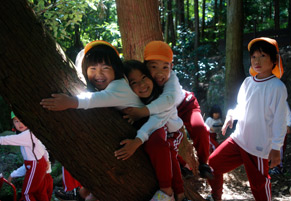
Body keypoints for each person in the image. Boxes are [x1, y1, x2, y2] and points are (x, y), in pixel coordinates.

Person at [40, 41, 184, 201]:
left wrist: (70, 101)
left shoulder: (119, 86)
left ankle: (167, 193)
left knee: (159, 147)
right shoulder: (114, 85)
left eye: (105, 68)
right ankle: (82, 193)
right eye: (93, 69)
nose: (98, 74)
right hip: (135, 129)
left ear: (115, 68)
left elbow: (94, 99)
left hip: (149, 128)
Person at [206, 37, 287, 201]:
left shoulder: (277, 87)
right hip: (238, 139)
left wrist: (276, 148)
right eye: (254, 57)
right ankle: (216, 196)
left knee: (258, 185)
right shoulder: (248, 82)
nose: (257, 61)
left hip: (258, 147)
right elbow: (241, 105)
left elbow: (280, 119)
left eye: (262, 56)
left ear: (274, 60)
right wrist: (231, 115)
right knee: (214, 163)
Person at [122, 40, 212, 179]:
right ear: (145, 66)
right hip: (165, 111)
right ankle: (181, 165)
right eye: (153, 67)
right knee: (163, 138)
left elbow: (168, 101)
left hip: (185, 105)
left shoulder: (172, 80)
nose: (159, 73)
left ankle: (204, 163)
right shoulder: (143, 80)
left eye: (165, 67)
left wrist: (142, 112)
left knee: (199, 128)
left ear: (171, 67)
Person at [118, 60, 187, 201]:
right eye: (134, 83)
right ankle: (179, 190)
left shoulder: (163, 96)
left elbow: (157, 120)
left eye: (144, 78)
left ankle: (169, 192)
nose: (142, 85)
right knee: (165, 148)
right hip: (159, 128)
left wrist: (138, 140)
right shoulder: (131, 99)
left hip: (170, 129)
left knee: (162, 146)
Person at [1, 111, 53, 201]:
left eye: (22, 120)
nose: (20, 124)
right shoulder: (31, 133)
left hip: (36, 165)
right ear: (13, 123)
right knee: (39, 193)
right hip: (38, 165)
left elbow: (6, 140)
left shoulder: (27, 135)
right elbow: (31, 162)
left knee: (27, 194)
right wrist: (13, 174)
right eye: (16, 121)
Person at [269, 102, 291, 175]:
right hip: (270, 128)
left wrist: (288, 124)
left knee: (279, 148)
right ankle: (270, 164)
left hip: (280, 128)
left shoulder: (281, 99)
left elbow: (288, 113)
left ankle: (278, 167)